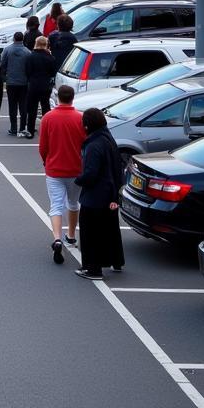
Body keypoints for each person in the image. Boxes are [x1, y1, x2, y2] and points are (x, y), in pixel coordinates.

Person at [74, 108, 125, 280]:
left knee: (91, 233)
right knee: (110, 229)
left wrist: (78, 180)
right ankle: (116, 261)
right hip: (110, 193)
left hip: (95, 196)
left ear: (87, 125)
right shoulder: (108, 139)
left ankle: (93, 268)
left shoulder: (93, 145)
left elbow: (90, 174)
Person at [39, 85, 86, 265]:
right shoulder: (80, 118)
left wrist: (46, 160)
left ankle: (57, 238)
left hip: (54, 169)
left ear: (58, 98)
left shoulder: (48, 118)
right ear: (72, 98)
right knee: (73, 203)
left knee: (55, 206)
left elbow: (43, 146)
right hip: (75, 169)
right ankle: (71, 236)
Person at [22, 35, 57, 139]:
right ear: (46, 45)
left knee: (32, 109)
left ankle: (30, 130)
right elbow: (52, 72)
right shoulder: (50, 57)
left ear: (36, 44)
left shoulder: (31, 56)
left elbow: (27, 71)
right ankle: (47, 130)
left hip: (33, 84)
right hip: (45, 85)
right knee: (46, 107)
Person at [0, 30, 30, 137]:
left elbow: (2, 64)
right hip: (23, 83)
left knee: (12, 106)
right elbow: (29, 68)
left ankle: (13, 128)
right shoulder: (27, 52)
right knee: (23, 106)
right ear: (22, 39)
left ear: (14, 38)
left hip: (11, 82)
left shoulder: (7, 50)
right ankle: (22, 128)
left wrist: (4, 77)